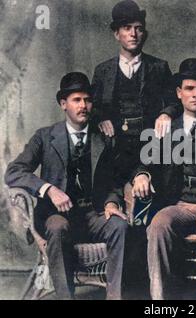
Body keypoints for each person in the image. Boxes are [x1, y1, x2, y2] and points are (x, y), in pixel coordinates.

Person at [4, 72, 128, 300]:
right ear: (63, 104)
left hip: (93, 213)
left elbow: (116, 180)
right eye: (76, 100)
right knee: (58, 227)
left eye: (88, 100)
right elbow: (13, 172)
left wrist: (112, 202)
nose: (83, 106)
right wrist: (48, 189)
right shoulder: (45, 137)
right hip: (56, 215)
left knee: (119, 226)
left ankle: (115, 296)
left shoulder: (103, 138)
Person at [130, 58, 196, 300]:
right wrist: (142, 176)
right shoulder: (165, 130)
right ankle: (160, 300)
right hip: (177, 206)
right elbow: (143, 163)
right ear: (179, 93)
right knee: (158, 224)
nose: (195, 94)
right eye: (189, 88)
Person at [91, 0, 180, 184]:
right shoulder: (103, 71)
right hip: (115, 147)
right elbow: (92, 106)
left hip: (151, 147)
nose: (133, 34)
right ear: (117, 33)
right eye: (126, 28)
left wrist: (166, 114)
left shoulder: (159, 67)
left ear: (144, 34)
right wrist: (100, 118)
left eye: (138, 28)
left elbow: (175, 101)